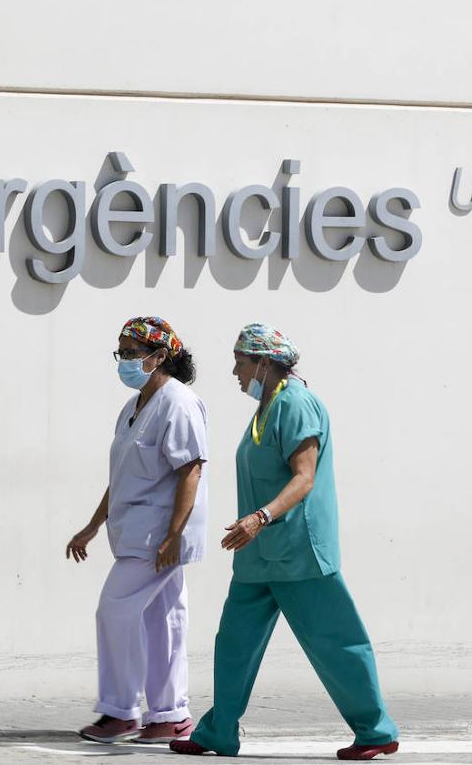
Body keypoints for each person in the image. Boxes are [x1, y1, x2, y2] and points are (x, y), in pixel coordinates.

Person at [171, 324, 399, 761]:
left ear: (264, 361)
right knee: (234, 643)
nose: (235, 370)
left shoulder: (296, 403)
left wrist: (261, 517)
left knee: (336, 642)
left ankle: (375, 731)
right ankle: (219, 732)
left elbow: (304, 476)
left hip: (297, 549)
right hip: (258, 555)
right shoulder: (267, 406)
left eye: (240, 361)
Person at [66, 316, 209, 744]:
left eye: (131, 352)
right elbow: (123, 476)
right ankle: (169, 714)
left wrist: (174, 535)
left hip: (158, 536)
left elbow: (191, 470)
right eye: (121, 352)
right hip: (135, 531)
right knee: (163, 621)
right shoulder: (132, 408)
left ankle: (120, 710)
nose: (124, 360)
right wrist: (92, 527)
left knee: (114, 609)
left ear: (159, 356)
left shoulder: (179, 403)